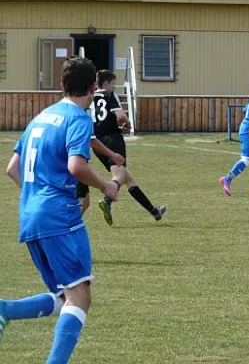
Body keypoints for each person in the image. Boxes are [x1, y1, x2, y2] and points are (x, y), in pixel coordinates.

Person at [2, 57, 119, 362]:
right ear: (94, 88)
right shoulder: (79, 119)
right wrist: (107, 186)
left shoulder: (40, 117)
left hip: (31, 216)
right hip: (59, 215)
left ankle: (5, 310)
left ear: (63, 86)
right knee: (80, 296)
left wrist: (39, 197)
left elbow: (12, 168)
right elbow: (76, 166)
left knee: (65, 296)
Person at [92, 69, 165, 225]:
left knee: (128, 178)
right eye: (112, 84)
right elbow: (120, 116)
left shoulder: (90, 98)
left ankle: (154, 211)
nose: (113, 87)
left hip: (97, 142)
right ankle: (106, 200)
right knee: (119, 177)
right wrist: (127, 123)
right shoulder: (110, 95)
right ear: (106, 84)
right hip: (112, 139)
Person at [76, 126, 125, 216]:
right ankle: (66, 227)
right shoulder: (80, 116)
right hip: (72, 161)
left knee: (85, 201)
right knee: (79, 201)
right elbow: (92, 141)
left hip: (51, 165)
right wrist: (113, 155)